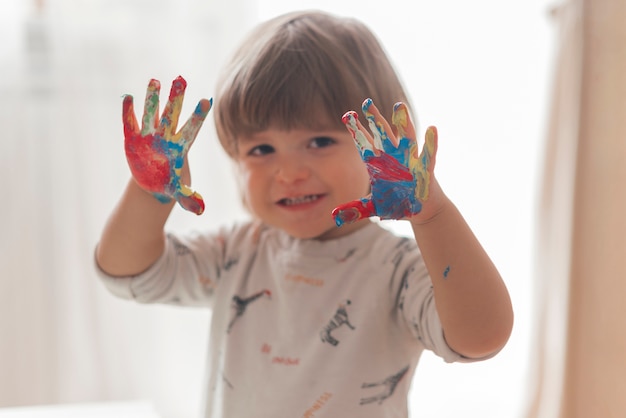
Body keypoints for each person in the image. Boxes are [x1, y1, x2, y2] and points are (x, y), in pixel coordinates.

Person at [95, 10, 514, 418]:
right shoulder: (234, 253)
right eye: (261, 150)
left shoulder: (397, 270)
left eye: (318, 141)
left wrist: (433, 216)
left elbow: (481, 337)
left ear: (379, 145)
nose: (289, 173)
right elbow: (127, 273)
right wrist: (149, 194)